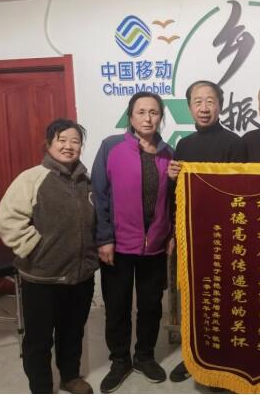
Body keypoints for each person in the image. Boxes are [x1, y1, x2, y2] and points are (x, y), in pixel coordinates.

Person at [0, 119, 98, 394]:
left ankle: (70, 376)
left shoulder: (86, 181)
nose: (69, 146)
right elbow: (7, 221)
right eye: (62, 140)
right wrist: (36, 248)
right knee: (39, 339)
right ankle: (41, 387)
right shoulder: (32, 178)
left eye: (75, 141)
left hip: (80, 275)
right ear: (49, 143)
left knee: (72, 331)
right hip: (42, 277)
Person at [92, 92, 174, 393]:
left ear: (161, 117)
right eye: (141, 112)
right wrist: (104, 238)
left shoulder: (169, 153)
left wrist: (171, 234)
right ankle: (119, 360)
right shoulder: (111, 147)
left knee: (151, 306)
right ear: (130, 116)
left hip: (154, 246)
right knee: (117, 306)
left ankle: (144, 356)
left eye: (154, 112)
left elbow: (173, 201)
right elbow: (99, 194)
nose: (148, 118)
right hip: (118, 245)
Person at [167, 80, 247, 383]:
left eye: (210, 101)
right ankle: (193, 356)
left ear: (220, 105)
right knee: (194, 298)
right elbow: (178, 197)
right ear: (189, 107)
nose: (204, 108)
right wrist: (172, 178)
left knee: (226, 298)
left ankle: (224, 360)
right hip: (192, 237)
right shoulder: (184, 145)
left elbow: (243, 193)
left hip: (227, 238)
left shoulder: (235, 143)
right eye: (197, 102)